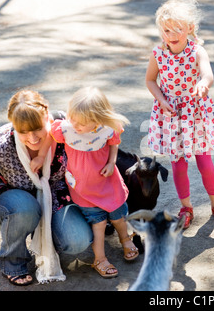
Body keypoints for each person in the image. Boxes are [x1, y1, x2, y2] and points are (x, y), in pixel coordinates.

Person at [0, 90, 92, 286]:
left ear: (47, 116)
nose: (32, 138)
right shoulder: (1, 145)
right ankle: (12, 262)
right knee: (27, 207)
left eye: (37, 128)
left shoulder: (66, 130)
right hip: (11, 204)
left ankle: (44, 240)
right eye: (23, 131)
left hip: (54, 195)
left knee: (77, 241)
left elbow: (99, 143)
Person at [34, 86, 137, 278]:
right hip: (83, 189)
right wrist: (40, 157)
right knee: (98, 223)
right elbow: (49, 138)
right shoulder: (66, 129)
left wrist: (112, 161)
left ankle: (125, 238)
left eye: (81, 123)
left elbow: (114, 143)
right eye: (72, 118)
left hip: (108, 182)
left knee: (118, 217)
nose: (75, 124)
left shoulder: (107, 128)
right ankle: (100, 259)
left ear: (98, 120)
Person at [145, 0, 214, 229]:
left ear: (190, 28)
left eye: (177, 29)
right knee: (179, 165)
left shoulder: (196, 51)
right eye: (167, 29)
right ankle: (186, 207)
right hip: (171, 114)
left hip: (195, 111)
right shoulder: (158, 54)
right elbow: (150, 81)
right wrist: (161, 100)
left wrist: (203, 84)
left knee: (204, 162)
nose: (171, 34)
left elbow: (207, 74)